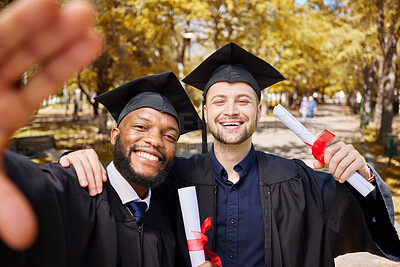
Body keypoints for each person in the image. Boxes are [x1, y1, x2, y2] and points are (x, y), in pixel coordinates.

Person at [62, 43, 400, 266]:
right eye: (220, 101)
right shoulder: (169, 179)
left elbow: (381, 234)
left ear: (259, 111)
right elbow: (120, 194)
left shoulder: (298, 180)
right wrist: (80, 162)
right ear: (206, 113)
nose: (231, 111)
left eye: (243, 100)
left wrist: (365, 176)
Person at [0, 0, 103, 252]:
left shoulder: (172, 201)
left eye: (170, 134)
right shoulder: (81, 195)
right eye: (141, 127)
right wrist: (73, 158)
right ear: (114, 133)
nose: (154, 140)